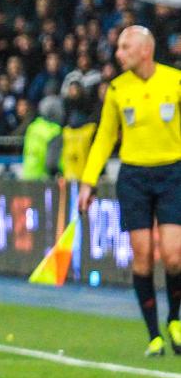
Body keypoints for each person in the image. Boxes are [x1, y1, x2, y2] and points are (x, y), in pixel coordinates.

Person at [78, 26, 181, 356]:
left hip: (173, 172)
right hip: (134, 176)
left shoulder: (175, 81)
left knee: (174, 254)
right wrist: (88, 182)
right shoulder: (117, 89)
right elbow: (105, 137)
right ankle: (153, 336)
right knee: (142, 255)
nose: (118, 53)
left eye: (125, 47)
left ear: (145, 50)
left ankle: (175, 319)